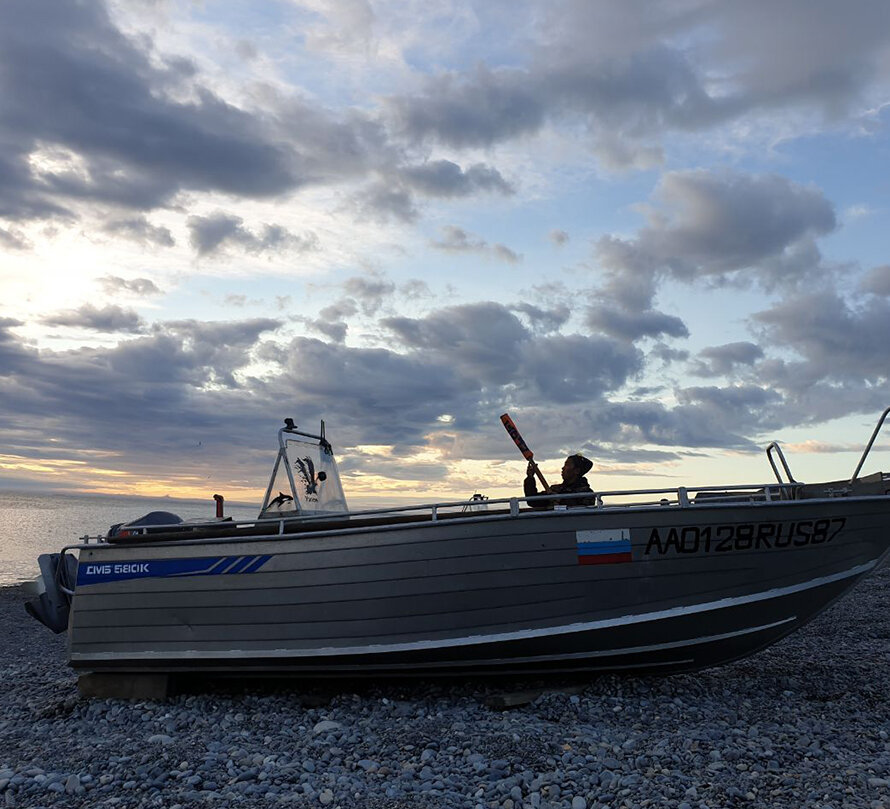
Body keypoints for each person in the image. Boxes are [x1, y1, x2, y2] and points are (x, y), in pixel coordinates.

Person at [524, 454, 595, 509]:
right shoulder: (554, 490)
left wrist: (560, 501)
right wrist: (530, 478)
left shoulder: (587, 494)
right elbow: (532, 501)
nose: (563, 468)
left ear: (577, 471)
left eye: (567, 465)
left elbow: (582, 514)